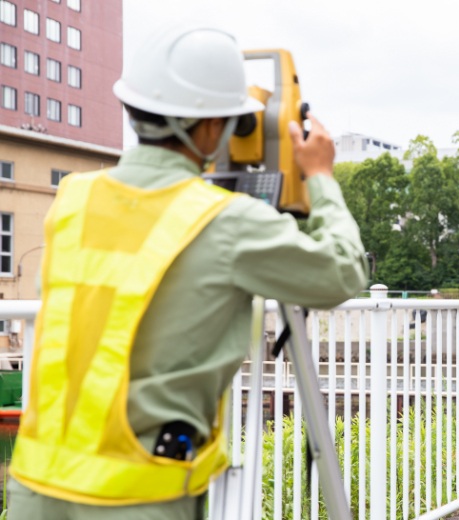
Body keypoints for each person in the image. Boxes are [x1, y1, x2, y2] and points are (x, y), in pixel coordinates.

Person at [8, 24, 367, 520]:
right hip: (138, 496)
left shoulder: (74, 196)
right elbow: (342, 274)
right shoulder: (226, 221)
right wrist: (321, 178)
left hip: (35, 486)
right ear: (208, 127)